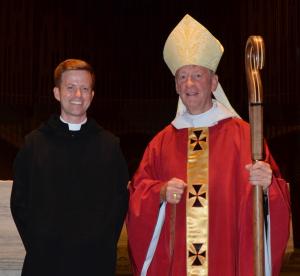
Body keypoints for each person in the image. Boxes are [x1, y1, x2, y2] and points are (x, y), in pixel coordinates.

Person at [126, 14, 290, 276]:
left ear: (213, 83)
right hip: (177, 262)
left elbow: (276, 195)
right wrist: (160, 192)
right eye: (182, 76)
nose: (189, 83)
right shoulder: (160, 143)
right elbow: (138, 193)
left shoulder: (245, 137)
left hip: (227, 259)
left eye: (197, 75)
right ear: (176, 85)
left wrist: (268, 184)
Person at [10, 59, 129, 276]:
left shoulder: (109, 146)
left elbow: (119, 202)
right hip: (45, 261)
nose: (78, 95)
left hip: (94, 261)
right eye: (70, 88)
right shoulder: (34, 144)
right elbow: (20, 203)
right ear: (57, 92)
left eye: (85, 89)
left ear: (92, 95)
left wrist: (101, 245)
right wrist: (39, 245)